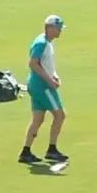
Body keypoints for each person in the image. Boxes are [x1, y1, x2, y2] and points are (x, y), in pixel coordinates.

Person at [19, 15, 69, 165]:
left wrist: (55, 75)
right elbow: (33, 64)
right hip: (42, 86)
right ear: (50, 28)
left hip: (38, 85)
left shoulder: (47, 42)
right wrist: (49, 81)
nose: (60, 31)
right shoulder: (41, 43)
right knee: (60, 115)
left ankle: (25, 152)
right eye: (58, 28)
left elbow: (46, 64)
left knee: (38, 118)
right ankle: (52, 150)